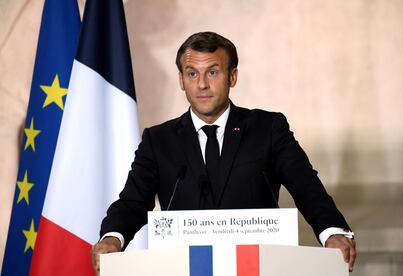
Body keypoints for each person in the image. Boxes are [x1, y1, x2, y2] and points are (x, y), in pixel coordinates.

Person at [91, 31, 356, 273]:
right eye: (192, 73)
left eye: (213, 72)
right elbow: (133, 202)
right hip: (184, 267)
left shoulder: (268, 129)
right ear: (181, 80)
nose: (202, 84)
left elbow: (306, 187)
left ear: (232, 77)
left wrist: (331, 231)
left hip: (257, 267)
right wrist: (113, 238)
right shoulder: (158, 140)